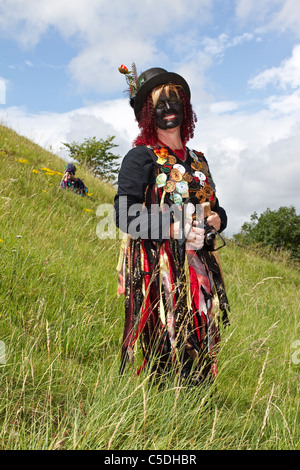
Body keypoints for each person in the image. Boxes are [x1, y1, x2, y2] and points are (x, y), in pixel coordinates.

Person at [114, 65, 230, 384]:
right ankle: (159, 410)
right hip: (159, 272)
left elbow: (215, 209)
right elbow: (124, 214)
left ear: (185, 107)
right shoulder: (141, 158)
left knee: (201, 346)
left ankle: (197, 412)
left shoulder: (199, 160)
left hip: (200, 270)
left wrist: (216, 221)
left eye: (173, 101)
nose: (168, 108)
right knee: (167, 349)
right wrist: (172, 229)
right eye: (159, 103)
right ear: (149, 113)